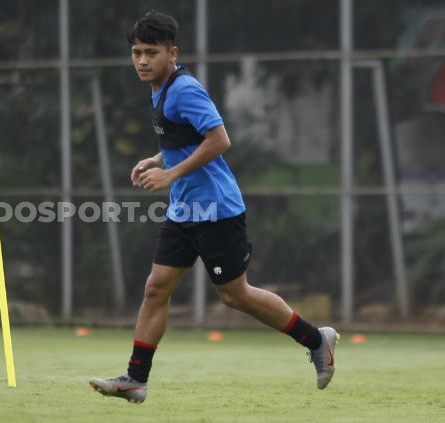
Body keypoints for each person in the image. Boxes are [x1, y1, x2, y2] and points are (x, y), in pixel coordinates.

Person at [89, 11, 339, 404]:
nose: (141, 60)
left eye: (150, 52)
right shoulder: (158, 86)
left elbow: (219, 139)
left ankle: (315, 339)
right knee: (156, 288)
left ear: (172, 53)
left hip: (217, 210)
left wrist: (170, 176)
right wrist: (159, 160)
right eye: (136, 52)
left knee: (235, 296)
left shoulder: (184, 88)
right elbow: (185, 136)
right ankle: (136, 380)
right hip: (185, 210)